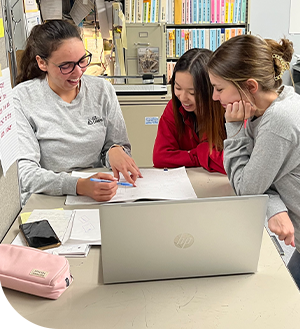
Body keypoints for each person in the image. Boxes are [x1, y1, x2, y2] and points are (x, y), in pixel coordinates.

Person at [13, 19, 141, 206]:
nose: (78, 72)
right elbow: (24, 173)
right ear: (42, 63)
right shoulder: (22, 98)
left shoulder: (102, 90)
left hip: (99, 192)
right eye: (66, 66)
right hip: (47, 198)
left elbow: (117, 146)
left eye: (82, 61)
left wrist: (115, 151)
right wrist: (78, 186)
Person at [207, 34, 300, 287]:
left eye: (219, 88)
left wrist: (235, 128)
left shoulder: (278, 121)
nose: (215, 98)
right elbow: (261, 177)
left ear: (250, 86)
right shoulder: (278, 100)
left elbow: (247, 188)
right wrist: (274, 206)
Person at [153, 48, 226, 173]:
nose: (183, 97)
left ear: (211, 89)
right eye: (178, 88)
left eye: (192, 92)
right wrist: (200, 154)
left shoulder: (227, 110)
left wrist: (185, 156)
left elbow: (231, 163)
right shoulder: (174, 107)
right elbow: (160, 157)